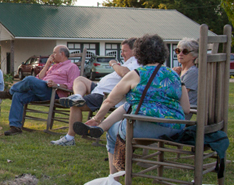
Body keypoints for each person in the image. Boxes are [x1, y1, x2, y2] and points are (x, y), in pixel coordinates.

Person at [78, 34, 190, 174]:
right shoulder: (174, 75)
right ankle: (99, 125)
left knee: (113, 132)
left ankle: (114, 179)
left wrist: (97, 116)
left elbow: (110, 100)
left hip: (145, 127)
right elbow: (186, 108)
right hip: (175, 128)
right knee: (128, 106)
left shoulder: (137, 74)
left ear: (139, 53)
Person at [50, 38, 140, 146]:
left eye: (124, 51)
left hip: (104, 94)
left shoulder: (136, 63)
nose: (122, 53)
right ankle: (77, 96)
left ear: (134, 51)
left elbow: (125, 73)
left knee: (75, 106)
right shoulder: (129, 62)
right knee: (80, 79)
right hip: (99, 88)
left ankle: (69, 138)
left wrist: (113, 64)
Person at [0, 45, 80, 136]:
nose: (52, 55)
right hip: (41, 90)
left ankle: (9, 92)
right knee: (18, 95)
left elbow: (73, 86)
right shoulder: (53, 67)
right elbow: (39, 78)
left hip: (54, 92)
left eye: (54, 53)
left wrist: (57, 85)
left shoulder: (72, 67)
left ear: (62, 54)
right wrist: (48, 64)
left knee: (29, 79)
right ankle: (15, 127)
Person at [172, 38, 199, 109]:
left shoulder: (193, 72)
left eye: (185, 52)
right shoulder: (180, 71)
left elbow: (178, 94)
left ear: (194, 56)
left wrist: (172, 76)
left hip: (179, 110)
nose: (180, 54)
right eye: (178, 51)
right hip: (173, 106)